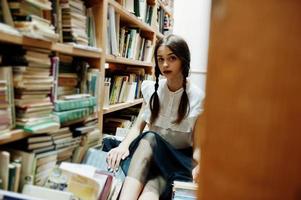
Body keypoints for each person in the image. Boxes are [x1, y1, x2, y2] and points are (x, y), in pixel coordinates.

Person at [106, 34, 205, 200]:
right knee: (149, 145)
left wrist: (202, 165)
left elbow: (198, 145)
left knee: (151, 147)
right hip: (149, 157)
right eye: (160, 59)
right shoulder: (150, 90)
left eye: (172, 58)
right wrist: (123, 146)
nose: (165, 64)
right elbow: (138, 127)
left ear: (183, 60)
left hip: (177, 160)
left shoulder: (198, 97)